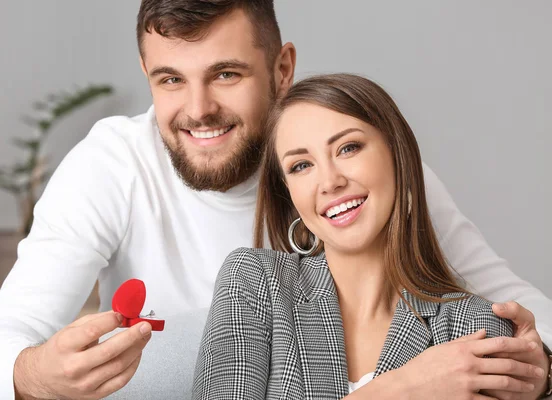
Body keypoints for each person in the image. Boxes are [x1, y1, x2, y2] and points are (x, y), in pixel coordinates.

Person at [0, 1, 551, 399]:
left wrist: (538, 366)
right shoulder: (114, 164)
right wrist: (33, 375)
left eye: (226, 74)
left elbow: (512, 300)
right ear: (146, 74)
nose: (198, 110)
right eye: (170, 79)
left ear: (282, 67)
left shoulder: (373, 173)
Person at [192, 73, 542, 399]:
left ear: (397, 156)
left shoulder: (476, 327)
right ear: (290, 195)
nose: (329, 182)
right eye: (301, 166)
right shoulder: (254, 282)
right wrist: (402, 389)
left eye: (348, 148)